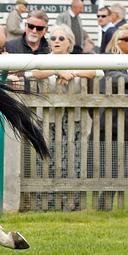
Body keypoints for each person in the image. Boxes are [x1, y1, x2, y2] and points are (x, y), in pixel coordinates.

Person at [26, 24, 101, 212]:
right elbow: (31, 73)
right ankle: (47, 203)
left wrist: (73, 72)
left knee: (73, 159)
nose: (56, 41)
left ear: (70, 43)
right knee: (46, 158)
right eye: (53, 38)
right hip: (47, 118)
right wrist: (57, 71)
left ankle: (72, 203)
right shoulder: (43, 59)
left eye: (61, 38)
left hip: (73, 118)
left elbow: (97, 72)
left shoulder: (77, 60)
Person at [97, 24, 128, 209]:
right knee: (113, 165)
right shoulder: (111, 57)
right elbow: (112, 75)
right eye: (127, 39)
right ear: (117, 42)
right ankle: (105, 202)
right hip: (116, 122)